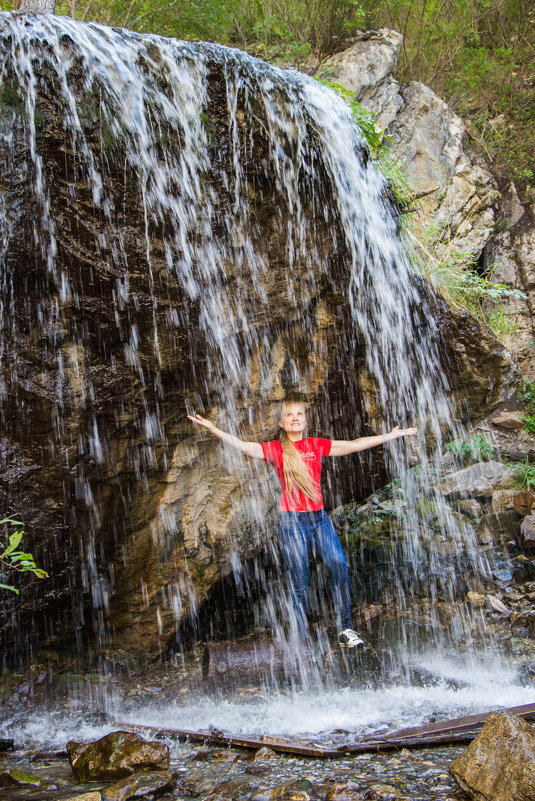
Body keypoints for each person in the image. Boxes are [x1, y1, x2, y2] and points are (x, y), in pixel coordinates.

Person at [188, 400, 417, 648]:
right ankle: (302, 641)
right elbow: (244, 447)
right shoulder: (277, 449)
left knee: (339, 564)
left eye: (299, 414)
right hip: (292, 522)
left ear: (305, 421)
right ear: (281, 423)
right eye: (289, 415)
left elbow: (354, 445)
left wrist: (391, 436)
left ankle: (346, 629)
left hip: (319, 519)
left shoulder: (315, 445)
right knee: (300, 582)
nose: (295, 418)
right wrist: (212, 428)